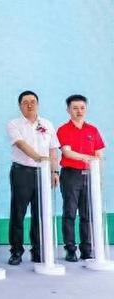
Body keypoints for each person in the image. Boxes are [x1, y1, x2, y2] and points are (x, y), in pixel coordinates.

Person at [6, 90, 60, 265]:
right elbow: (21, 144)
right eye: (25, 102)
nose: (29, 105)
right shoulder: (14, 124)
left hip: (43, 173)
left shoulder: (47, 124)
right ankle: (16, 251)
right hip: (22, 172)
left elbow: (53, 150)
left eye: (33, 101)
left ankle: (38, 251)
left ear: (37, 104)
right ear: (19, 105)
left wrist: (54, 171)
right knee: (18, 213)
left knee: (40, 213)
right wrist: (39, 158)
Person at [57, 94, 104, 262]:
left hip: (89, 175)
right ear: (68, 110)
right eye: (75, 108)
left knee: (87, 214)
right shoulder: (63, 129)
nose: (79, 111)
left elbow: (99, 154)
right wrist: (88, 158)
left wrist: (99, 177)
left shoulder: (93, 130)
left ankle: (86, 249)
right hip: (71, 174)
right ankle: (70, 249)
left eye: (82, 108)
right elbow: (67, 152)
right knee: (70, 212)